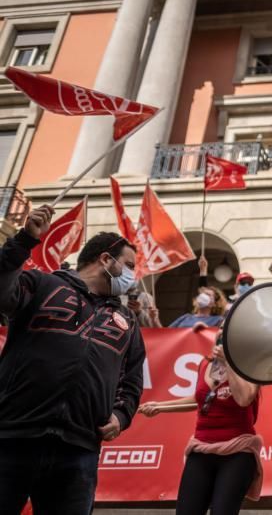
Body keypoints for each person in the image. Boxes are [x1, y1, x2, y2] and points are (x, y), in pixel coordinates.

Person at [0, 206, 146, 514]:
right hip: (13, 436)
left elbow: (132, 380)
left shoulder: (127, 321)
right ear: (106, 259)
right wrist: (24, 240)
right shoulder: (42, 284)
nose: (134, 274)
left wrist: (121, 415)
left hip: (78, 451)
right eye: (129, 265)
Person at [139, 332, 262, 515]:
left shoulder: (250, 365)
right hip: (201, 447)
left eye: (228, 329)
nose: (222, 332)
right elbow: (199, 399)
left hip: (237, 451)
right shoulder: (205, 364)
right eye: (221, 329)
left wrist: (229, 363)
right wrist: (160, 406)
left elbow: (244, 398)